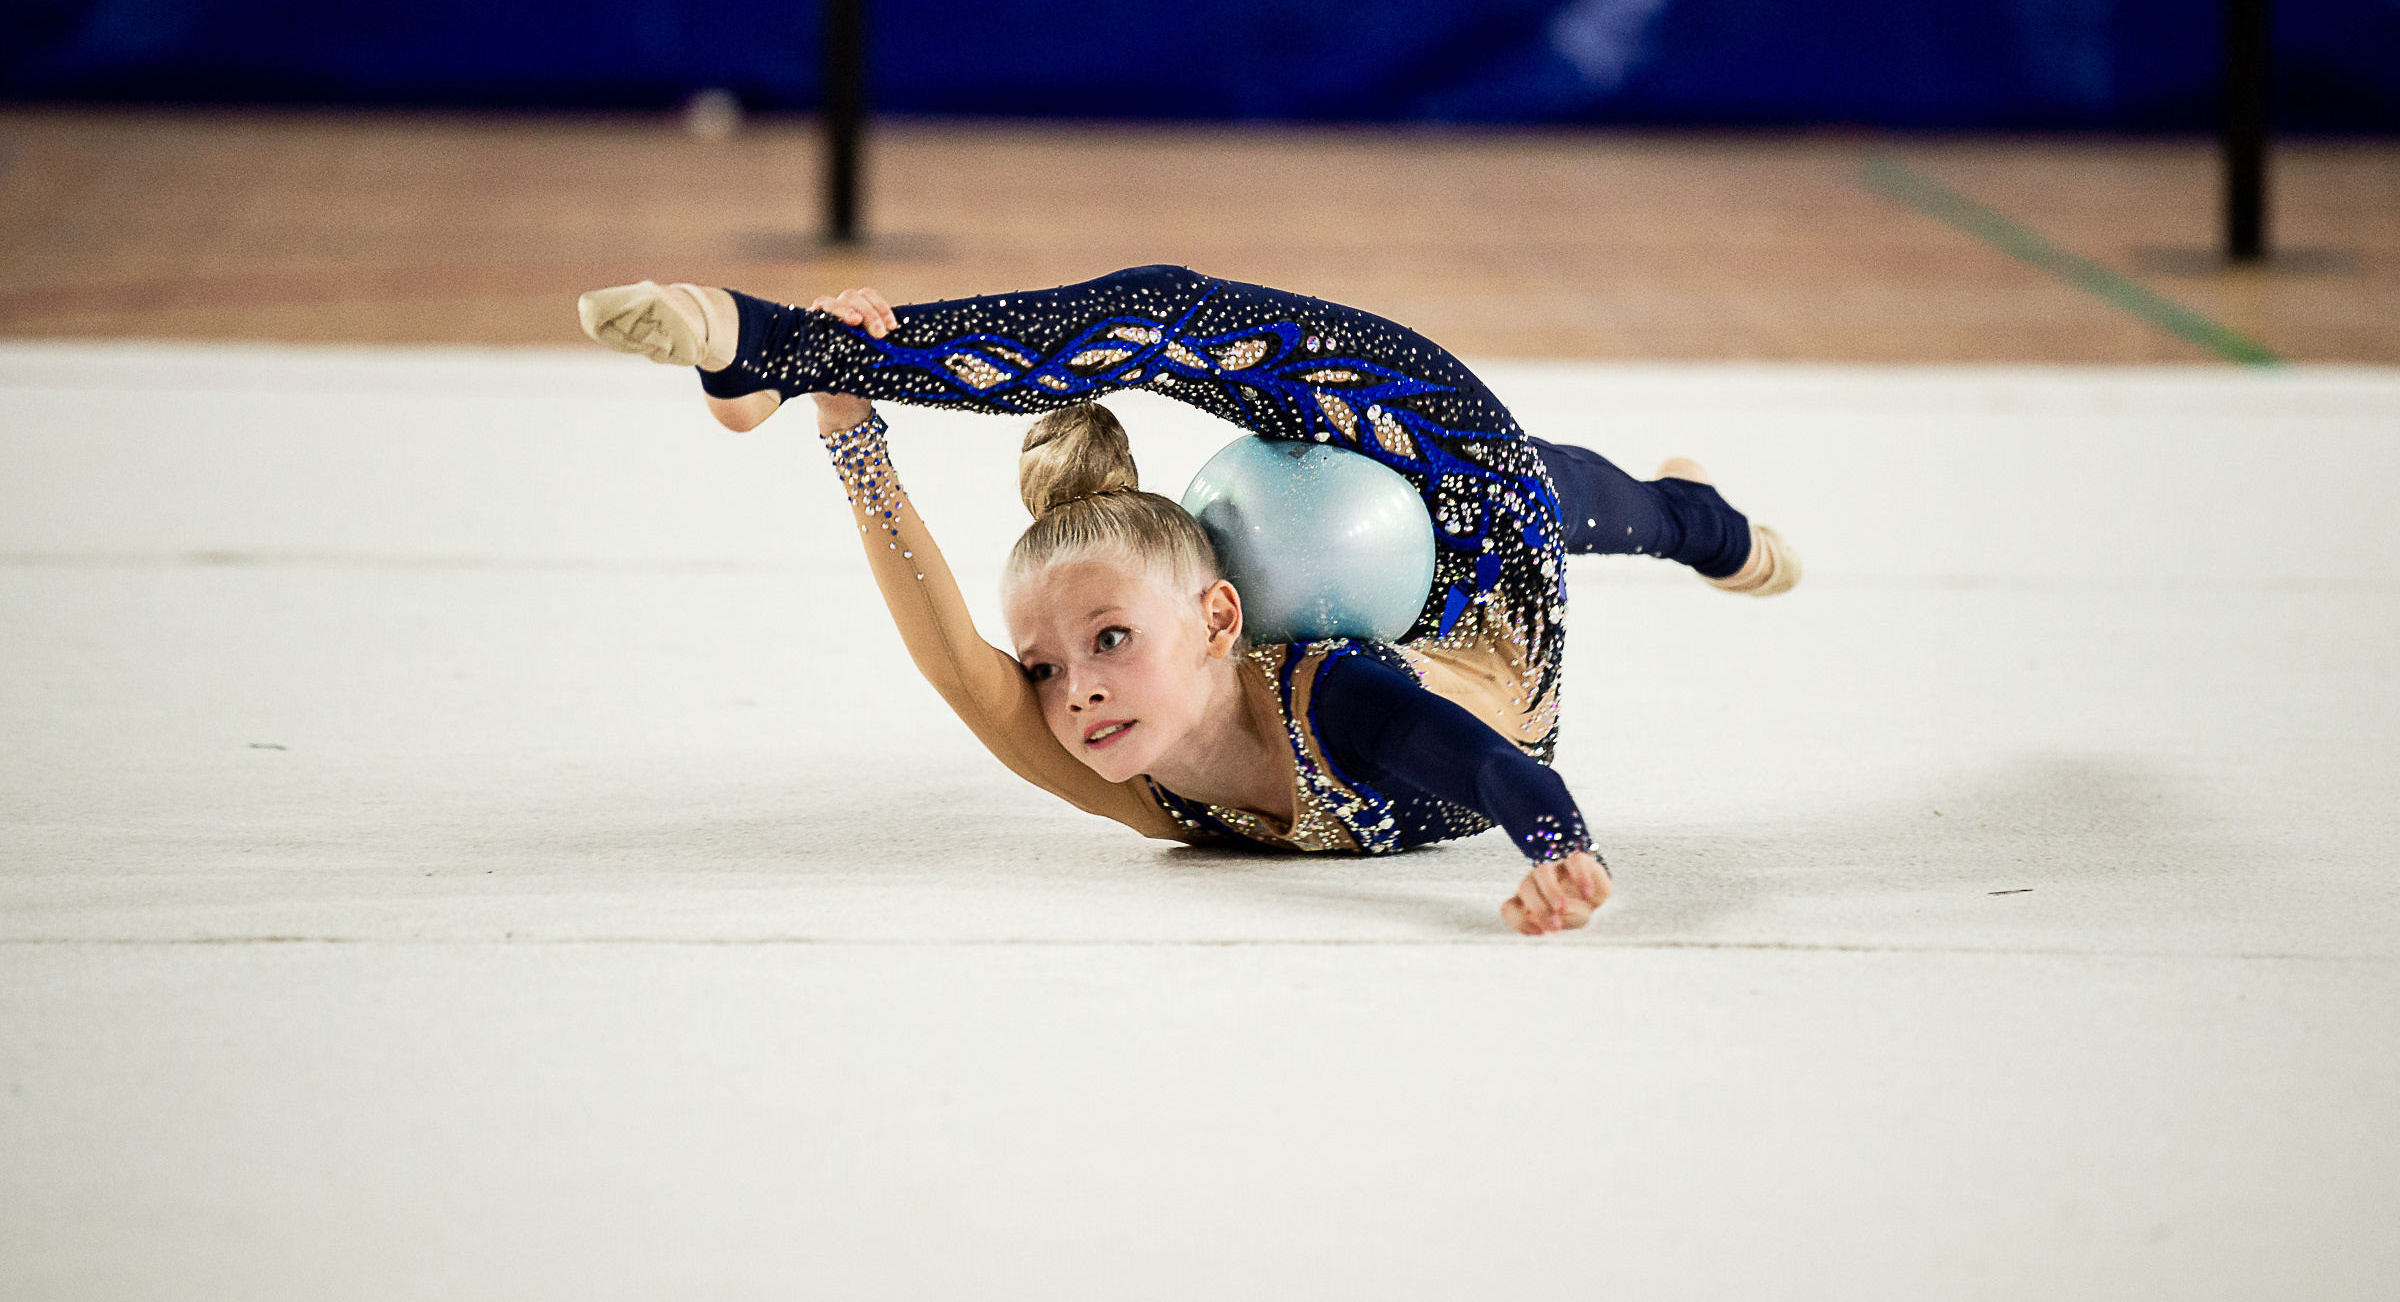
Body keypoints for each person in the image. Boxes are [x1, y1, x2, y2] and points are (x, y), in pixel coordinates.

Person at [577, 266, 1797, 935]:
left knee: (1169, 317)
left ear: (1220, 620)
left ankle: (783, 347)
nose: (1075, 688)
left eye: (1106, 641)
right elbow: (961, 663)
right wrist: (856, 450)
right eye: (1046, 666)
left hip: (1452, 478)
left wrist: (1556, 847)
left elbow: (1486, 770)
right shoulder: (1117, 761)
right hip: (1494, 560)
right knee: (1558, 496)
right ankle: (1698, 511)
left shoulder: (1332, 698)